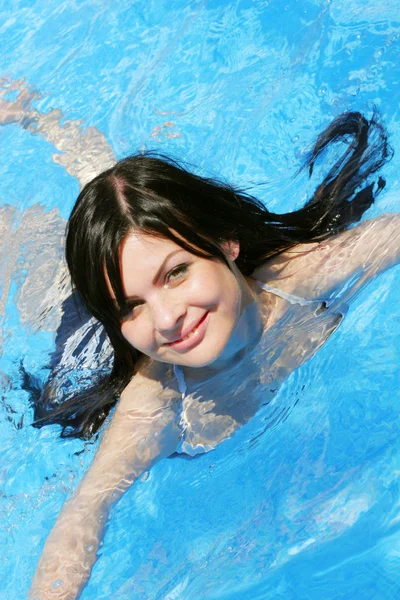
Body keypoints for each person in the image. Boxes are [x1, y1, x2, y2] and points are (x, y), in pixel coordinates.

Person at [28, 111, 399, 599]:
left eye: (177, 272)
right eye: (132, 306)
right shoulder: (156, 404)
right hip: (81, 336)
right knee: (30, 249)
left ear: (226, 241)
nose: (165, 320)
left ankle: (48, 122)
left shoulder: (299, 282)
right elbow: (85, 511)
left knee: (125, 214)